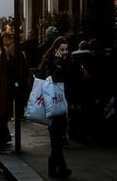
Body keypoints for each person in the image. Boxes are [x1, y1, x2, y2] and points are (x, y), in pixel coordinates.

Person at [39, 36, 72, 179]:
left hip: (62, 103)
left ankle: (53, 168)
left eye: (66, 49)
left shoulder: (67, 62)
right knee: (56, 137)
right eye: (62, 49)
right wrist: (58, 64)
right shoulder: (51, 62)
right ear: (56, 49)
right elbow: (49, 79)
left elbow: (70, 78)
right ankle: (61, 168)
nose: (65, 52)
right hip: (52, 104)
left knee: (58, 138)